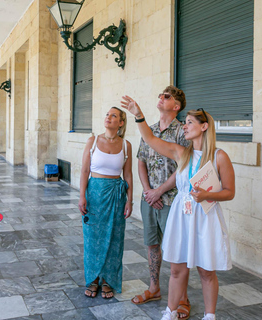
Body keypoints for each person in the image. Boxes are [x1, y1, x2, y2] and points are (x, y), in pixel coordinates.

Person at [120, 96, 235, 320]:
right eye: (185, 122)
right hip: (182, 215)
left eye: (190, 122)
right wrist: (138, 114)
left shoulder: (219, 157)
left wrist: (207, 194)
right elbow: (150, 139)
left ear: (204, 127)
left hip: (205, 217)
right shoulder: (182, 153)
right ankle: (170, 312)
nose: (185, 125)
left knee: (205, 270)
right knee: (176, 269)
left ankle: (209, 316)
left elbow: (229, 192)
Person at [131, 86, 191, 319]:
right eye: (160, 95)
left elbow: (184, 168)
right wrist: (148, 191)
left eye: (166, 97)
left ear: (176, 106)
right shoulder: (150, 130)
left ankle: (183, 298)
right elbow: (141, 161)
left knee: (178, 251)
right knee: (151, 244)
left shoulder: (182, 131)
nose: (160, 98)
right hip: (150, 200)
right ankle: (154, 288)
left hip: (172, 201)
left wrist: (160, 192)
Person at [78, 107, 133, 299]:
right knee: (93, 237)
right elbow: (85, 171)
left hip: (116, 196)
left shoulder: (126, 145)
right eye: (107, 114)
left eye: (114, 116)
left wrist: (130, 200)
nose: (108, 117)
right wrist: (82, 196)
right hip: (94, 193)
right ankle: (93, 279)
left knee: (114, 238)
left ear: (121, 122)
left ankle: (109, 280)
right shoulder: (93, 141)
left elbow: (127, 174)